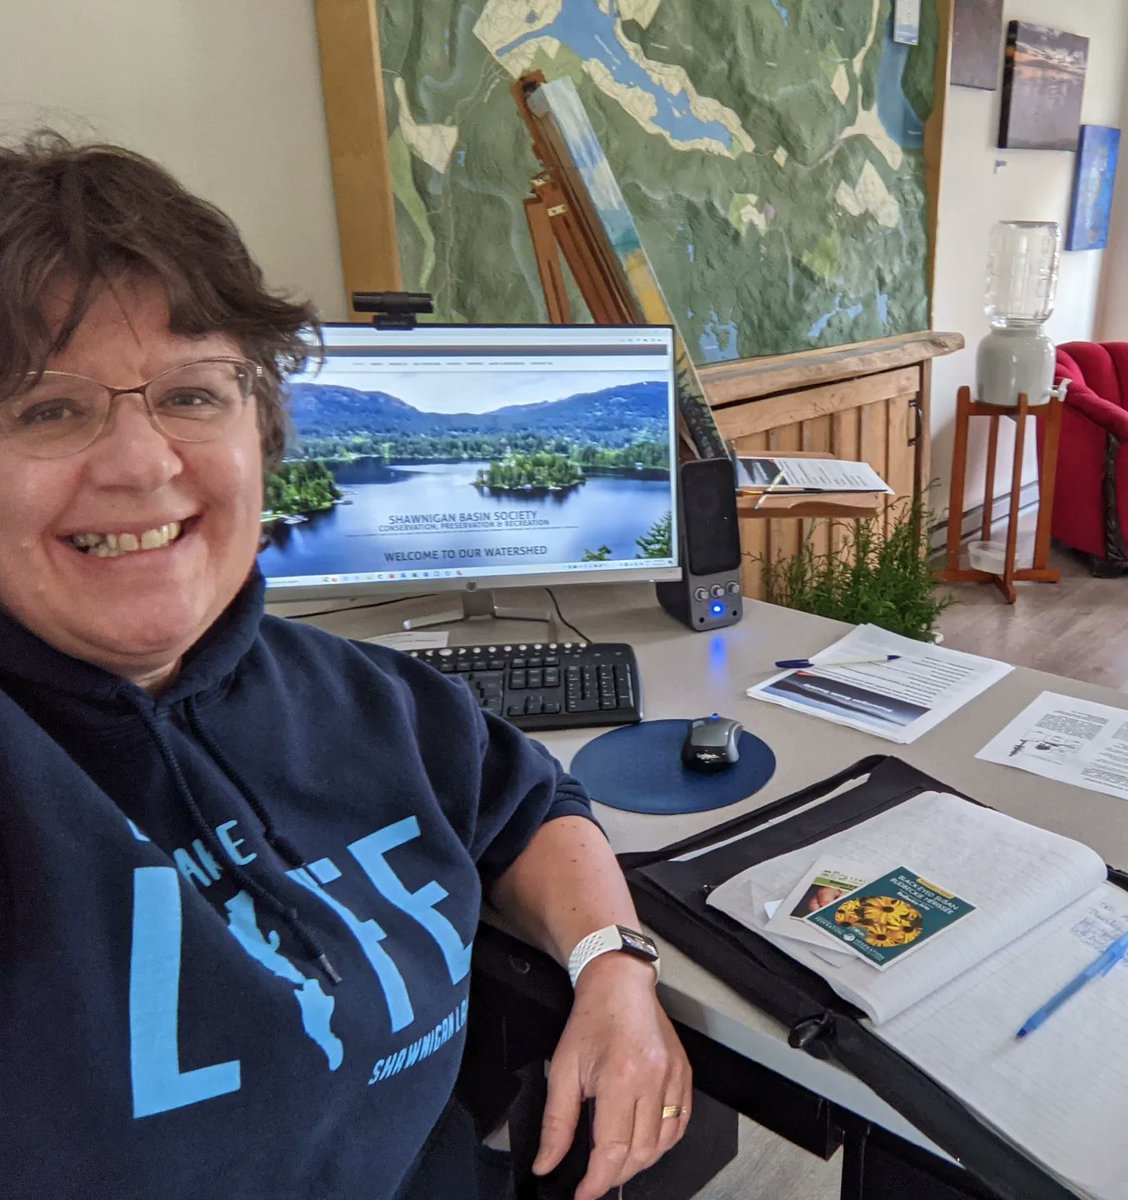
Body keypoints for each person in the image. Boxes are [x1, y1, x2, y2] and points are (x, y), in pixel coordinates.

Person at [0, 133, 690, 1200]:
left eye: (192, 394)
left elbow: (529, 804)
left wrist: (615, 966)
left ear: (262, 432)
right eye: (50, 407)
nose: (141, 462)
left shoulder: (369, 697)